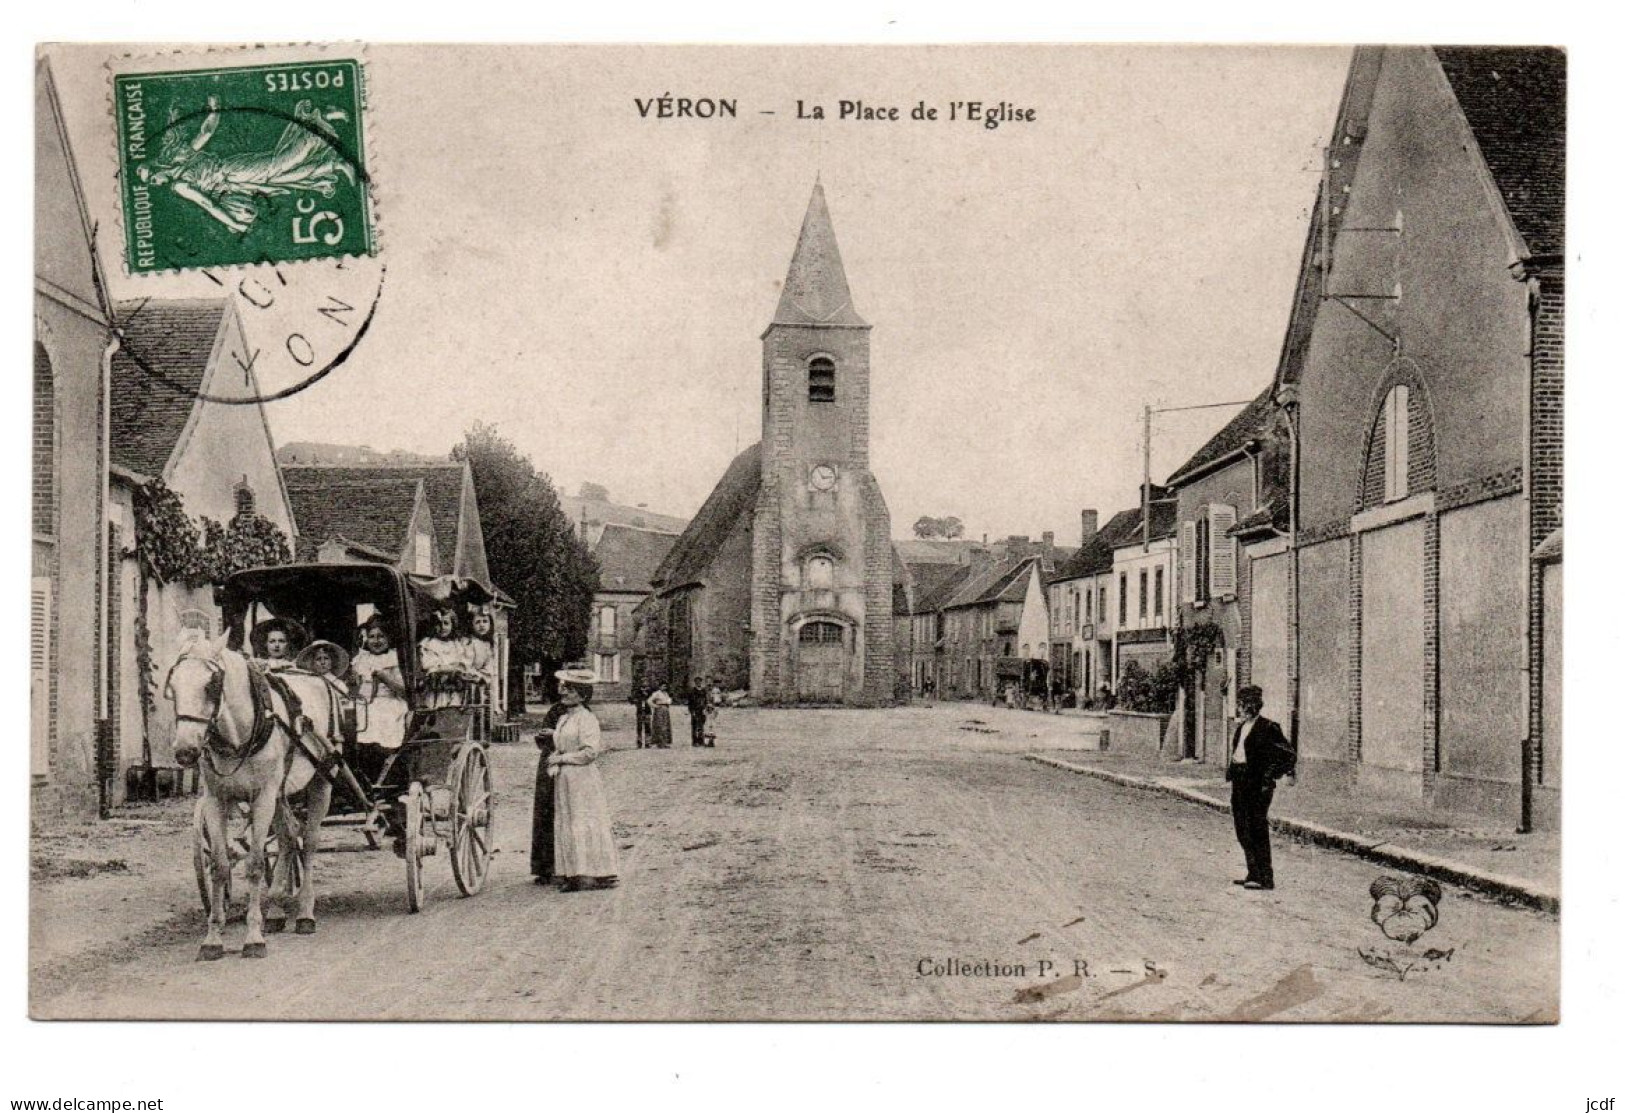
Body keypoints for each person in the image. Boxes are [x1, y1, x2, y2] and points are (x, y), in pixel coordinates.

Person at [544, 669, 620, 891]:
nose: (564, 692)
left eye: (570, 689)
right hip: (566, 778)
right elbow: (560, 744)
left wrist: (562, 758)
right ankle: (574, 872)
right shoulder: (564, 718)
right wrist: (555, 758)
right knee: (568, 821)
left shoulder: (587, 719)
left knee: (584, 821)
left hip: (582, 778)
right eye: (564, 687)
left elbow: (589, 753)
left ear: (583, 695)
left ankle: (594, 873)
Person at [1226, 685, 1296, 891]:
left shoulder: (1268, 727)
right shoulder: (1242, 727)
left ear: (1251, 705)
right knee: (1242, 828)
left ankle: (1265, 877)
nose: (1239, 708)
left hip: (1257, 784)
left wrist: (1270, 775)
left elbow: (1288, 755)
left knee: (1256, 827)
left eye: (1241, 704)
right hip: (1240, 781)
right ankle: (1253, 872)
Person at [353, 616, 409, 755]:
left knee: (379, 715)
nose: (376, 641)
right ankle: (359, 756)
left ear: (389, 638)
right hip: (363, 702)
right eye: (372, 637)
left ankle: (383, 754)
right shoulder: (361, 659)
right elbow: (356, 685)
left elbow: (404, 691)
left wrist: (385, 678)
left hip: (388, 701)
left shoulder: (393, 658)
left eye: (381, 636)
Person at [529, 700, 569, 884]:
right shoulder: (556, 710)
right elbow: (542, 740)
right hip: (549, 763)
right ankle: (545, 867)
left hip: (569, 765)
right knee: (545, 810)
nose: (565, 692)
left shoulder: (585, 714)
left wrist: (556, 734)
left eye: (569, 688)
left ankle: (570, 867)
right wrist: (544, 736)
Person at [418, 605, 468, 708]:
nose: (442, 627)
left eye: (446, 623)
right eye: (438, 624)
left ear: (453, 625)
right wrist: (445, 668)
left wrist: (455, 670)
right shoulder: (429, 643)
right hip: (435, 687)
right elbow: (427, 664)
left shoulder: (456, 645)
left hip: (453, 686)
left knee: (453, 708)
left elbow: (461, 663)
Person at [646, 683, 673, 748]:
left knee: (666, 725)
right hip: (659, 710)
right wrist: (655, 706)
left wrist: (669, 702)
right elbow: (649, 701)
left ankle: (665, 742)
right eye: (663, 686)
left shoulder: (666, 693)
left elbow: (668, 700)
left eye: (665, 686)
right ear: (660, 686)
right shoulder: (656, 693)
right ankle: (659, 743)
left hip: (666, 709)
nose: (664, 687)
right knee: (660, 726)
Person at [686, 678, 709, 747]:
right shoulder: (692, 691)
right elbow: (690, 702)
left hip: (702, 710)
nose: (698, 683)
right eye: (697, 682)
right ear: (695, 682)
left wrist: (705, 709)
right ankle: (694, 742)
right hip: (695, 710)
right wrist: (691, 711)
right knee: (694, 726)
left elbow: (706, 701)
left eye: (699, 682)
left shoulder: (703, 690)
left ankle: (701, 741)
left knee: (701, 726)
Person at [630, 678, 651, 748]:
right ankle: (639, 742)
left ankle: (647, 742)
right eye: (643, 682)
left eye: (646, 682)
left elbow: (652, 699)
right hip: (640, 711)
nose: (645, 683)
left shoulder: (650, 691)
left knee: (647, 727)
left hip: (647, 711)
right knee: (639, 727)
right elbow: (633, 699)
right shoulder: (638, 691)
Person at [703, 681, 723, 747]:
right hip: (707, 709)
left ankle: (711, 741)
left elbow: (717, 701)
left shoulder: (716, 690)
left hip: (713, 709)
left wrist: (712, 706)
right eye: (708, 685)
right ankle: (707, 740)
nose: (709, 686)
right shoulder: (705, 691)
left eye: (710, 684)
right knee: (707, 724)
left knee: (712, 724)